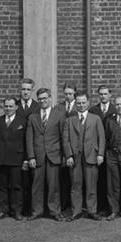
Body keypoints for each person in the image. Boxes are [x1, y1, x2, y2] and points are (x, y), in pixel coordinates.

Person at [62, 91, 105, 221]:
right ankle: (76, 211)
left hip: (91, 155)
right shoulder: (69, 120)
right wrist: (69, 156)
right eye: (79, 103)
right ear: (75, 103)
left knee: (91, 185)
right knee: (76, 185)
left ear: (88, 103)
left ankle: (92, 210)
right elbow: (65, 140)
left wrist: (100, 154)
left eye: (83, 102)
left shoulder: (95, 119)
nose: (81, 105)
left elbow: (101, 138)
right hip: (75, 158)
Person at [26, 88, 65, 221]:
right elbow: (29, 138)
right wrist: (31, 156)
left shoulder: (59, 115)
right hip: (38, 156)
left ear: (50, 98)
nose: (42, 101)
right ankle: (37, 211)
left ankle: (54, 211)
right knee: (37, 185)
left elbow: (63, 137)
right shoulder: (32, 117)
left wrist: (64, 156)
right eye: (40, 99)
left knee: (54, 186)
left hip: (54, 155)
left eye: (45, 98)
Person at [0, 97, 27, 221]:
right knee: (0, 186)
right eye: (6, 106)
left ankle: (17, 211)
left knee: (17, 186)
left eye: (11, 106)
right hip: (0, 159)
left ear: (16, 107)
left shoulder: (23, 121)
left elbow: (26, 141)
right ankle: (2, 210)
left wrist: (26, 159)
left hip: (17, 159)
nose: (8, 108)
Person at [89, 84, 115, 215]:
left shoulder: (115, 109)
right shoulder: (93, 110)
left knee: (110, 180)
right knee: (98, 179)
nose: (103, 96)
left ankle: (111, 207)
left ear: (110, 95)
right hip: (97, 149)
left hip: (110, 149)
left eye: (105, 94)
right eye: (101, 94)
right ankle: (99, 207)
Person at [53, 81, 78, 214]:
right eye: (66, 93)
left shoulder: (79, 107)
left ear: (75, 93)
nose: (68, 96)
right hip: (61, 146)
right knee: (62, 178)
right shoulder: (58, 108)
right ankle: (63, 204)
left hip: (75, 146)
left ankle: (76, 205)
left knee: (75, 178)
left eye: (70, 93)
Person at [18, 78, 39, 214]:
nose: (25, 92)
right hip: (18, 150)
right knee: (19, 182)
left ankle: (34, 208)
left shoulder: (37, 107)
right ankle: (20, 209)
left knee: (34, 181)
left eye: (28, 89)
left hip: (34, 150)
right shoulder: (14, 106)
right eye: (23, 89)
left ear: (32, 91)